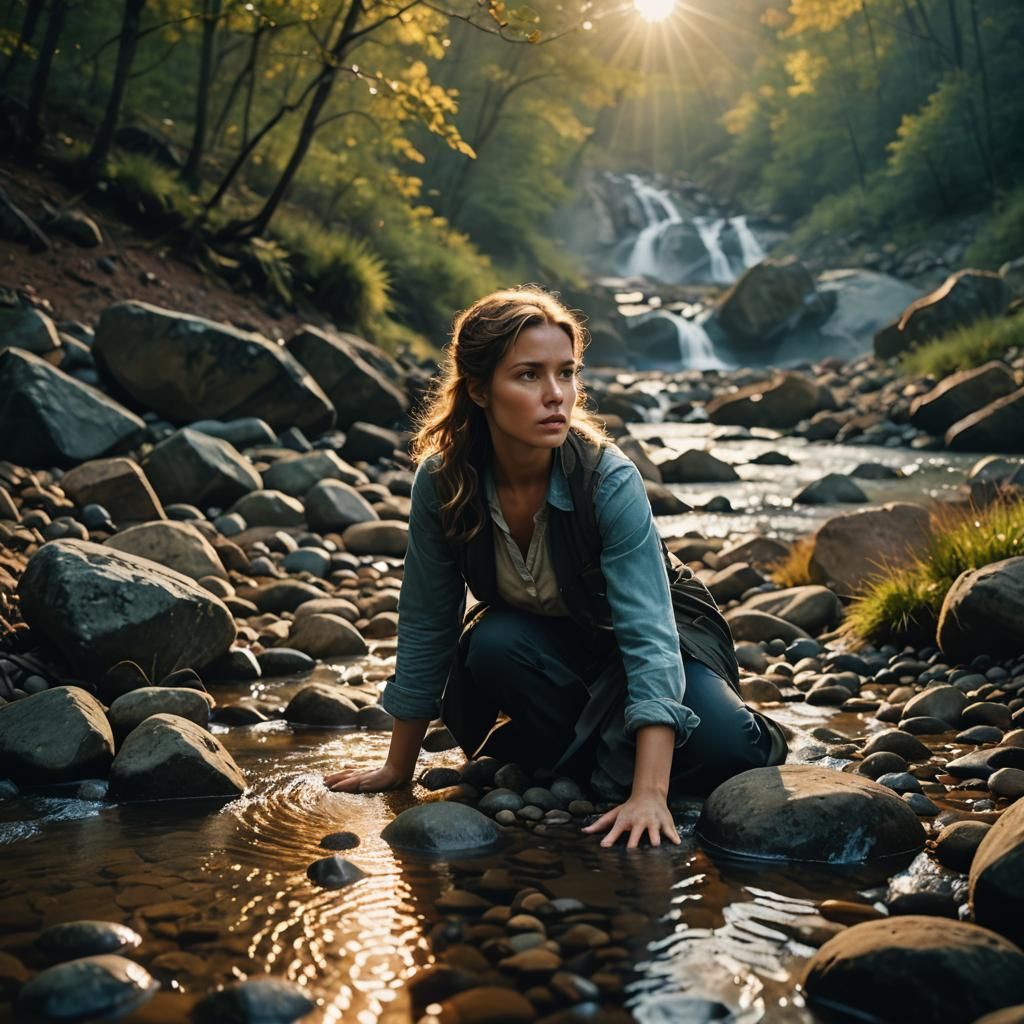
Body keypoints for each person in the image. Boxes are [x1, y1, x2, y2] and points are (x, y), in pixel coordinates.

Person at [324, 286, 787, 848]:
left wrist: (649, 796)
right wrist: (397, 767)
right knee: (489, 643)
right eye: (528, 375)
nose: (556, 395)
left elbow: (649, 636)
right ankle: (604, 750)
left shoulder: (608, 479)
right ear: (478, 389)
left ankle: (613, 756)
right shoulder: (443, 482)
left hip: (661, 639)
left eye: (566, 373)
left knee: (730, 751)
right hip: (543, 644)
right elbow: (428, 619)